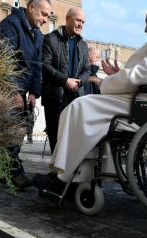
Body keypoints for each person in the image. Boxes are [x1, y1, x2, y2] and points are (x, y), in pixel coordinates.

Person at [34, 1, 147, 192]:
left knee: (80, 107)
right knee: (82, 108)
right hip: (143, 97)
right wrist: (118, 76)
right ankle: (75, 175)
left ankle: (65, 178)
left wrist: (108, 82)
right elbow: (146, 73)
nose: (145, 29)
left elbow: (144, 74)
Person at [0, 0, 52, 189]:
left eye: (48, 16)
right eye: (44, 14)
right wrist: (12, 90)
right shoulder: (9, 25)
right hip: (4, 85)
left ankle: (5, 171)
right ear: (31, 7)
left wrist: (33, 92)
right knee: (10, 126)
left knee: (19, 129)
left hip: (22, 87)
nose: (46, 20)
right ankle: (15, 172)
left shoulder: (38, 34)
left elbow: (36, 65)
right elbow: (4, 60)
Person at [41, 7, 91, 159]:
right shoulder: (50, 39)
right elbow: (45, 65)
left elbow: (87, 70)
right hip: (55, 97)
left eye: (83, 22)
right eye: (78, 20)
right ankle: (56, 174)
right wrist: (65, 80)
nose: (80, 24)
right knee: (56, 139)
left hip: (76, 98)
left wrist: (78, 83)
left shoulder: (83, 44)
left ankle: (69, 175)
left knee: (73, 140)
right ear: (68, 18)